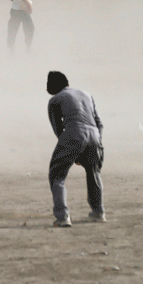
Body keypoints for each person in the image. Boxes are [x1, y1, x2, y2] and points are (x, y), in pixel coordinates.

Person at [46, 71, 105, 227]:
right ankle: (99, 213)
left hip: (74, 133)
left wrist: (73, 150)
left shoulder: (55, 100)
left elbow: (58, 129)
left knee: (57, 175)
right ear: (67, 83)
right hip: (94, 135)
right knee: (94, 172)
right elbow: (99, 123)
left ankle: (62, 217)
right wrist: (98, 143)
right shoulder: (86, 94)